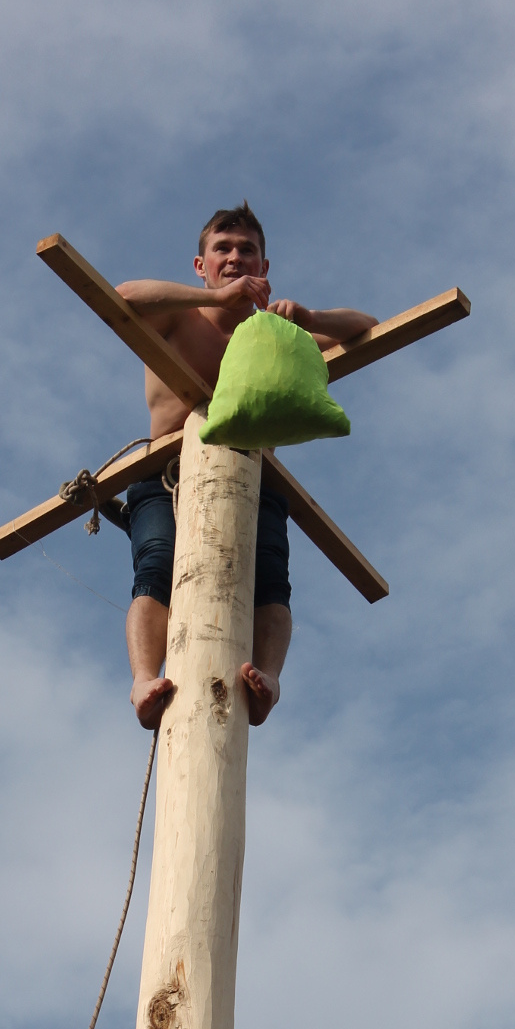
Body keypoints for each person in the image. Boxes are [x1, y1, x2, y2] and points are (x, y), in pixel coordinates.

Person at [116, 203, 377, 730]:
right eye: (223, 249)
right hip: (167, 473)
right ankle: (144, 679)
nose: (235, 257)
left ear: (264, 266)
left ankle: (268, 680)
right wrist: (216, 299)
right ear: (201, 264)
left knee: (270, 582)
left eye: (247, 250)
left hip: (253, 480)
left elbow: (367, 328)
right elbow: (122, 297)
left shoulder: (274, 336)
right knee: (157, 568)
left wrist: (309, 319)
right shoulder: (177, 316)